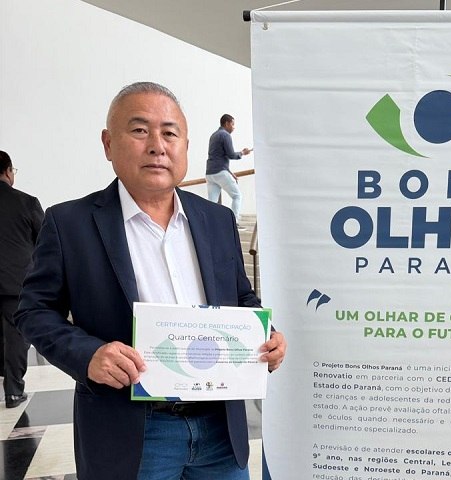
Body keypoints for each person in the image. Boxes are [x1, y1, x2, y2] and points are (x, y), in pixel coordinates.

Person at [15, 82, 286, 479]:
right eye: (140, 130)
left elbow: (241, 297)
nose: (158, 146)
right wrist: (88, 354)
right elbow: (34, 311)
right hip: (132, 432)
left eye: (170, 133)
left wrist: (266, 334)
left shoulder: (216, 219)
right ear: (109, 144)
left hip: (220, 429)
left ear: (186, 147)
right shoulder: (69, 223)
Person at [0, 151, 43, 408]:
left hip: (12, 281)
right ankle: (13, 391)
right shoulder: (26, 202)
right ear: (8, 171)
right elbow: (45, 243)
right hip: (15, 282)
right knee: (16, 335)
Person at [205, 114, 252, 228]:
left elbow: (218, 156)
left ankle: (209, 224)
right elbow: (231, 154)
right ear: (226, 123)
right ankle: (233, 223)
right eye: (233, 124)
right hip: (220, 172)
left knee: (212, 202)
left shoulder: (214, 135)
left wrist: (230, 173)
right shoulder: (225, 135)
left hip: (210, 173)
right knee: (237, 196)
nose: (234, 127)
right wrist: (242, 153)